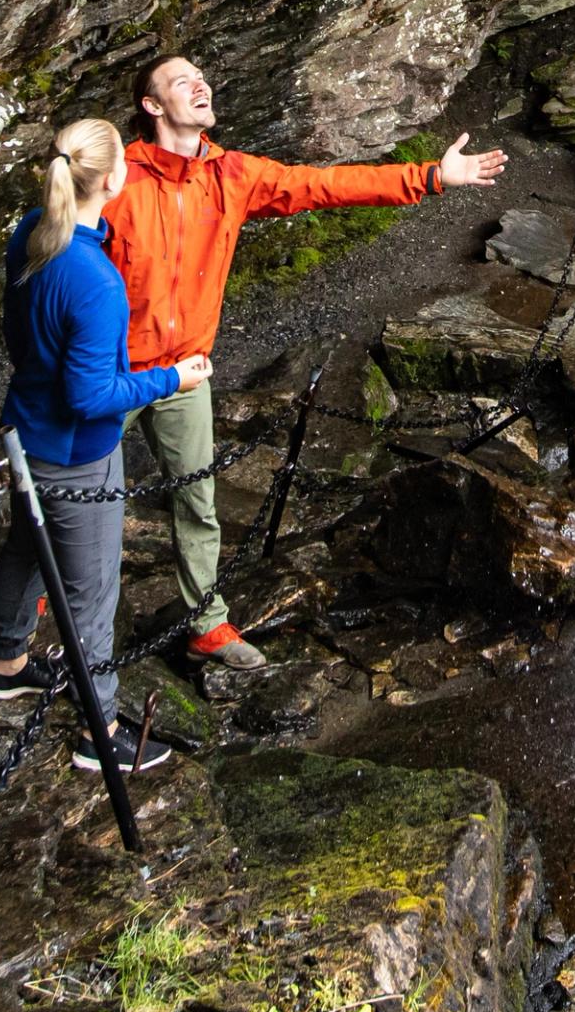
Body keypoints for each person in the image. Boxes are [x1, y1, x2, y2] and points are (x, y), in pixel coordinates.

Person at [113, 53, 508, 673]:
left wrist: (431, 176)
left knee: (198, 498)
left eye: (202, 75)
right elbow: (54, 259)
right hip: (111, 374)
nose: (202, 83)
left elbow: (324, 185)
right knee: (79, 503)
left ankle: (206, 627)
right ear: (152, 105)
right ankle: (30, 620)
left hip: (186, 371)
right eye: (182, 80)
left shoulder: (230, 175)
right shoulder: (117, 179)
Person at [0, 116, 203, 774]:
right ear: (113, 178)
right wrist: (171, 378)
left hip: (24, 430)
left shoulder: (31, 231)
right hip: (74, 453)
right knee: (92, 591)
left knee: (26, 542)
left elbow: (16, 335)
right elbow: (91, 396)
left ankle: (7, 662)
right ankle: (99, 732)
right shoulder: (97, 282)